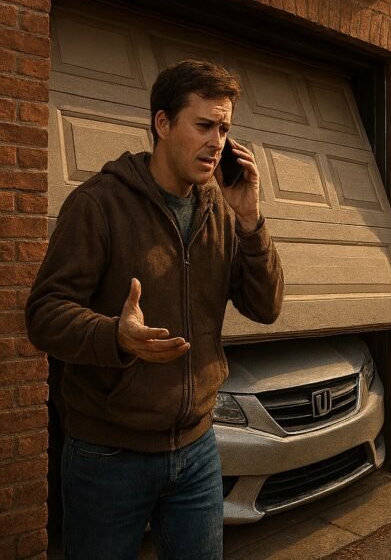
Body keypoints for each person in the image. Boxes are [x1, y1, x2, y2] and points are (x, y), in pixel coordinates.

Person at [26, 60, 285, 559]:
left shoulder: (224, 211)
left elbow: (266, 306)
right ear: (163, 124)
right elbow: (44, 313)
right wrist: (115, 336)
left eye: (225, 128)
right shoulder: (99, 204)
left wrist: (251, 221)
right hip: (107, 454)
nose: (217, 142)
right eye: (204, 125)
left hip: (197, 449)